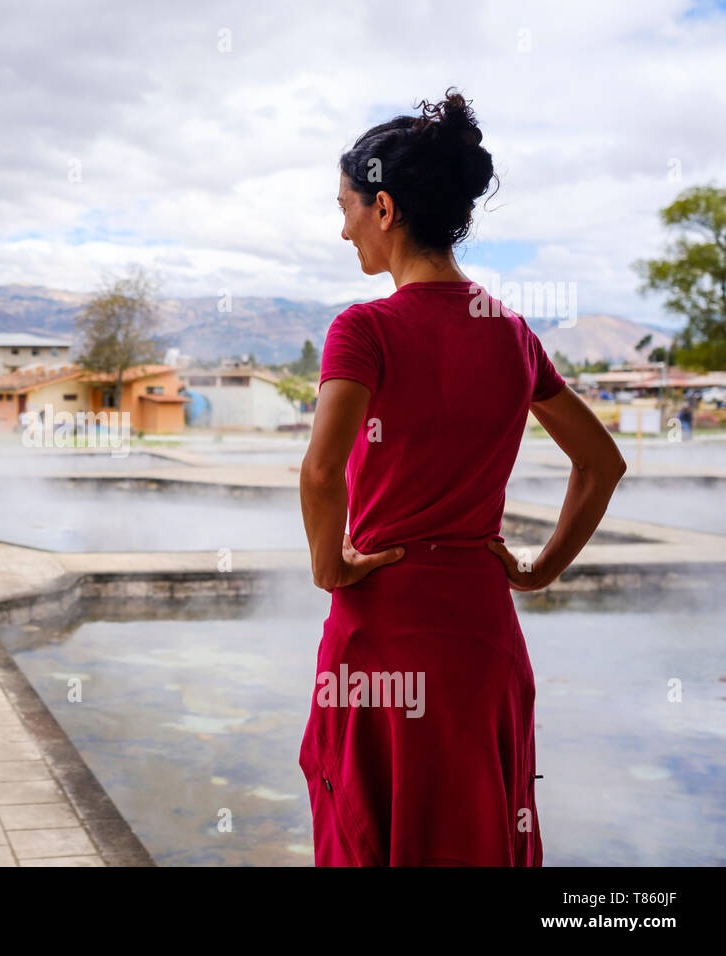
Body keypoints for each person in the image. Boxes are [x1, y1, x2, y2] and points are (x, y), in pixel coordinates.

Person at [298, 89, 626, 867]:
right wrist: (540, 570)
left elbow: (319, 472)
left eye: (345, 207)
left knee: (374, 820)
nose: (342, 228)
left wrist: (328, 566)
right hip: (482, 631)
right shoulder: (510, 333)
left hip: (384, 622)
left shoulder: (365, 329)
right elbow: (602, 463)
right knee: (475, 819)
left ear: (384, 208)